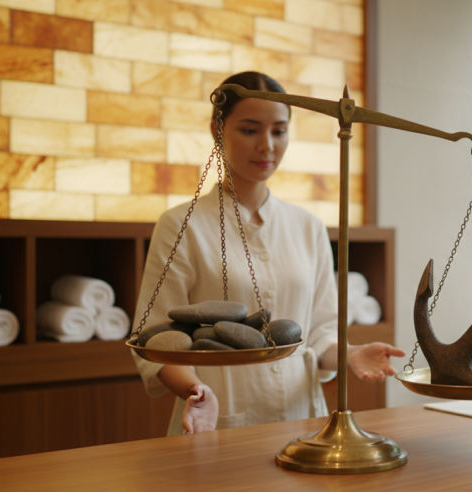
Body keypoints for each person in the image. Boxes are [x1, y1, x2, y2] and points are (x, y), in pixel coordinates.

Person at [132, 71, 404, 436]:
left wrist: (350, 352)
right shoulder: (182, 224)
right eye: (249, 130)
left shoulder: (308, 226)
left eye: (279, 131)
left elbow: (321, 331)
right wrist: (194, 390)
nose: (267, 146)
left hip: (303, 421)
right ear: (217, 129)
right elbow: (154, 336)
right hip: (217, 421)